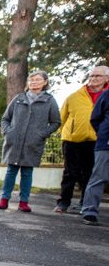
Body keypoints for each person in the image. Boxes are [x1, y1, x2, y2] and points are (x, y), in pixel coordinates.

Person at [0, 70, 61, 212]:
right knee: (11, 171)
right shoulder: (19, 98)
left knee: (27, 172)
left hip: (33, 143)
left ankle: (23, 202)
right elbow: (5, 119)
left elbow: (56, 122)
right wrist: (8, 132)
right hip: (14, 141)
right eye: (31, 80)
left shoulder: (49, 101)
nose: (34, 82)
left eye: (38, 80)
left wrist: (41, 134)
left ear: (45, 82)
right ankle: (4, 200)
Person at [55, 65, 109, 213]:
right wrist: (67, 133)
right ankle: (63, 202)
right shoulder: (74, 96)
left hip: (96, 141)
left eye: (97, 76)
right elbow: (62, 118)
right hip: (72, 140)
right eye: (91, 76)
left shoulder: (107, 95)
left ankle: (84, 203)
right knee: (69, 172)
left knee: (90, 173)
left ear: (106, 78)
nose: (93, 79)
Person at [81, 89, 109, 226]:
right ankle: (89, 211)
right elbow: (95, 118)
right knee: (98, 177)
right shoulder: (107, 94)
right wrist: (104, 133)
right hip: (106, 144)